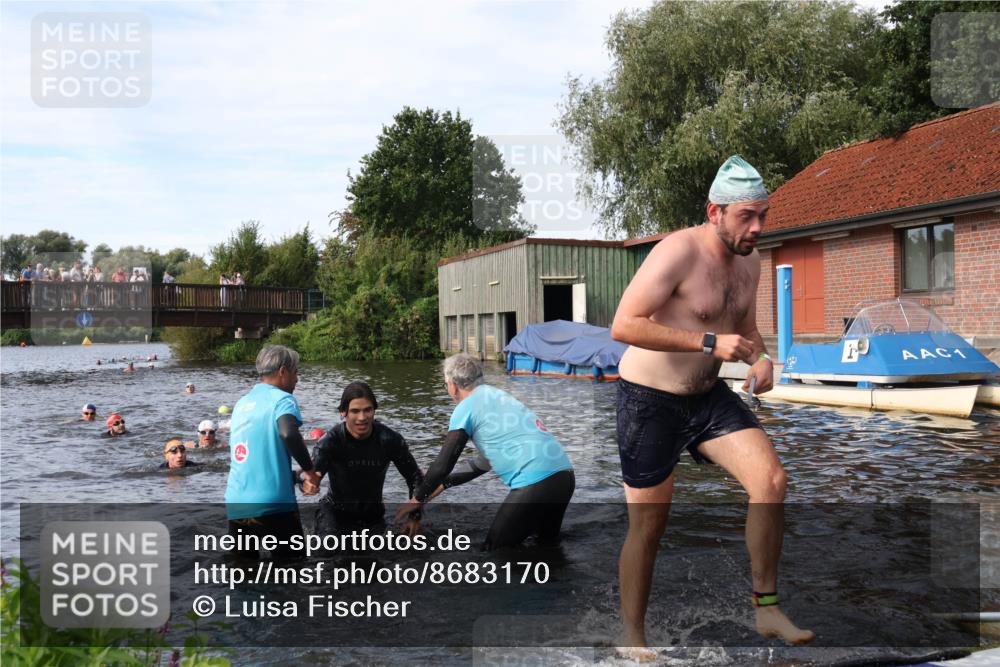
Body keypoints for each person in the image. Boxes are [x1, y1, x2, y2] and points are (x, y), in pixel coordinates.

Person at [609, 155, 813, 655]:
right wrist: (707, 342)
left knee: (771, 482)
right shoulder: (677, 252)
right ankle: (632, 637)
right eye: (746, 216)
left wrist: (762, 359)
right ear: (715, 212)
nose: (757, 227)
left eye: (763, 215)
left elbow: (744, 328)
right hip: (649, 401)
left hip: (706, 397)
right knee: (649, 526)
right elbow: (624, 325)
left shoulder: (751, 260)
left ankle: (766, 606)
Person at [396, 354, 575, 550]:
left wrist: (417, 499)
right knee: (547, 548)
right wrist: (443, 485)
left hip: (536, 482)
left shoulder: (466, 407)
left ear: (453, 386)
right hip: (564, 477)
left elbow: (443, 464)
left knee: (493, 551)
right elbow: (484, 463)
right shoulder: (499, 396)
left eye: (446, 384)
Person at [224, 345, 320, 559]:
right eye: (296, 372)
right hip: (275, 505)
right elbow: (289, 433)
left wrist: (294, 476)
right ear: (283, 371)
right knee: (292, 570)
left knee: (244, 571)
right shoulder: (282, 399)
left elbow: (257, 460)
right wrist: (309, 471)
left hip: (237, 503)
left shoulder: (241, 403)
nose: (297, 379)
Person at [310, 382, 424, 538]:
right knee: (328, 548)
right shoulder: (330, 441)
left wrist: (414, 517)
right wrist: (311, 482)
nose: (362, 418)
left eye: (367, 410)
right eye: (355, 411)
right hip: (334, 513)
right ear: (343, 412)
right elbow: (314, 473)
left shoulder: (389, 440)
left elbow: (415, 477)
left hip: (372, 515)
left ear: (374, 410)